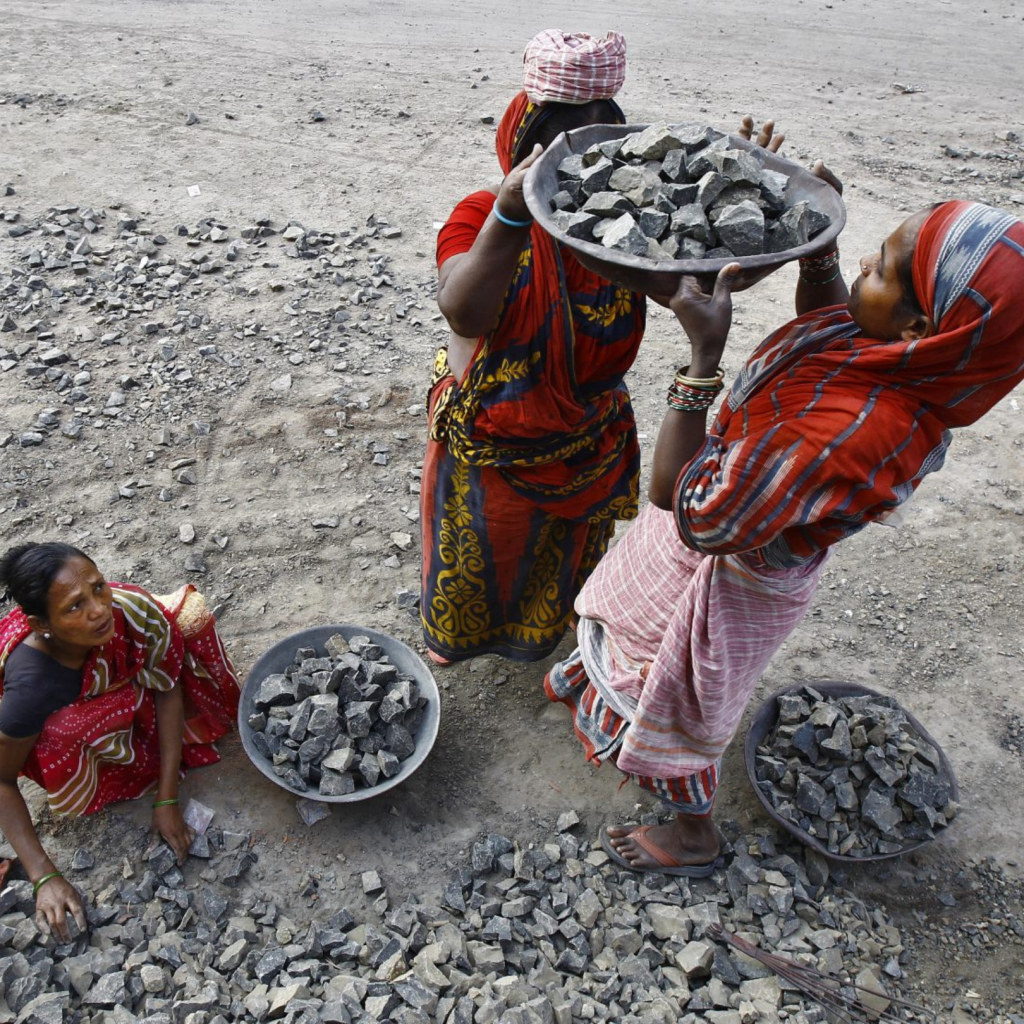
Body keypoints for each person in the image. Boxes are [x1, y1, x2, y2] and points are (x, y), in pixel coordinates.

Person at [545, 197, 1024, 875]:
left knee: (683, 697)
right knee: (628, 617)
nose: (864, 264)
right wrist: (815, 248)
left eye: (882, 267)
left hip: (728, 560)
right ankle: (605, 692)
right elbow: (824, 324)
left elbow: (684, 504)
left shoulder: (848, 435)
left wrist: (702, 359)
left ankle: (693, 837)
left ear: (922, 324)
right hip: (728, 510)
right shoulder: (902, 359)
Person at [420, 28, 782, 666]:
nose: (567, 162)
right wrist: (511, 213)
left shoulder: (625, 233)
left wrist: (733, 195)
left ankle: (541, 636)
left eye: (596, 139)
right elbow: (463, 308)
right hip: (495, 442)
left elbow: (701, 282)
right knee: (483, 551)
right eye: (551, 141)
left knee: (558, 551)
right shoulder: (481, 213)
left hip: (585, 436)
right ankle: (461, 640)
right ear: (517, 143)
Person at [0, 542, 240, 938]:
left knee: (189, 624)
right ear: (41, 624)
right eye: (74, 607)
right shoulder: (33, 686)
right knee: (65, 730)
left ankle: (123, 731)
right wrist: (44, 876)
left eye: (97, 587)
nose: (98, 610)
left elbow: (166, 687)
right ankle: (104, 767)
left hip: (116, 682)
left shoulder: (130, 612)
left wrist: (166, 798)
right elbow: (3, 779)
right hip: (53, 716)